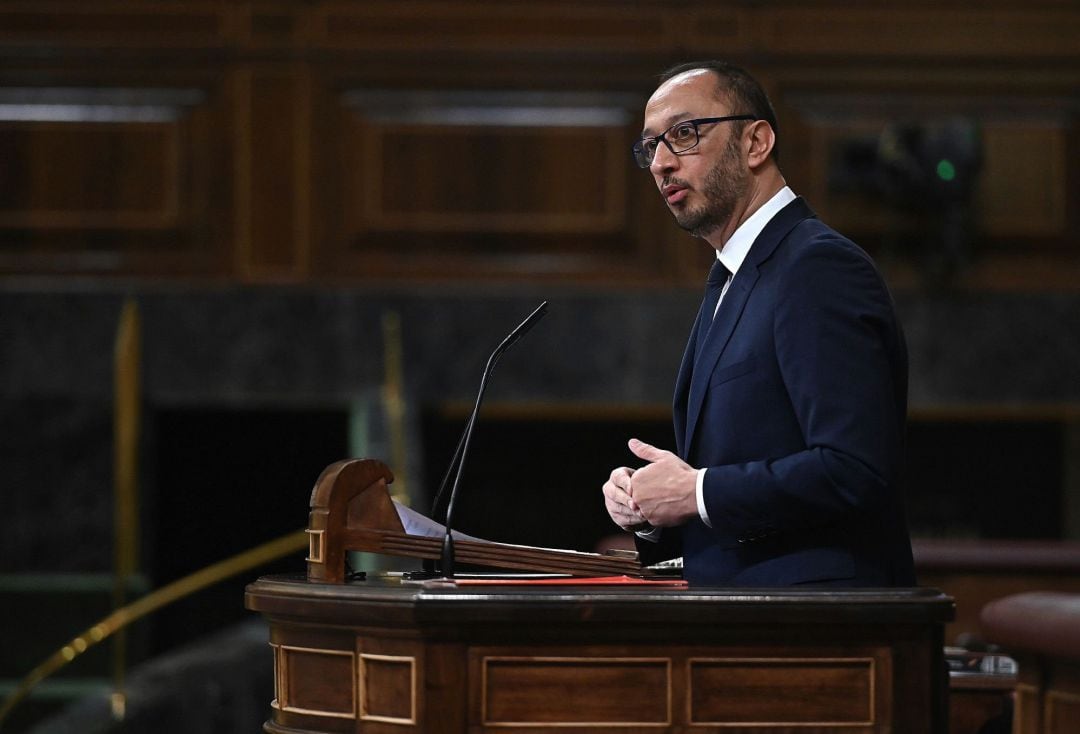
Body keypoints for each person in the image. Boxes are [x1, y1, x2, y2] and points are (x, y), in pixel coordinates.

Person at [602, 61, 915, 587]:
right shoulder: (733, 275)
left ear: (756, 143)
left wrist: (697, 491)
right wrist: (654, 504)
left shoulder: (817, 267)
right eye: (650, 146)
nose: (660, 163)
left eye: (683, 134)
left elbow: (854, 469)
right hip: (748, 618)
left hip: (824, 627)